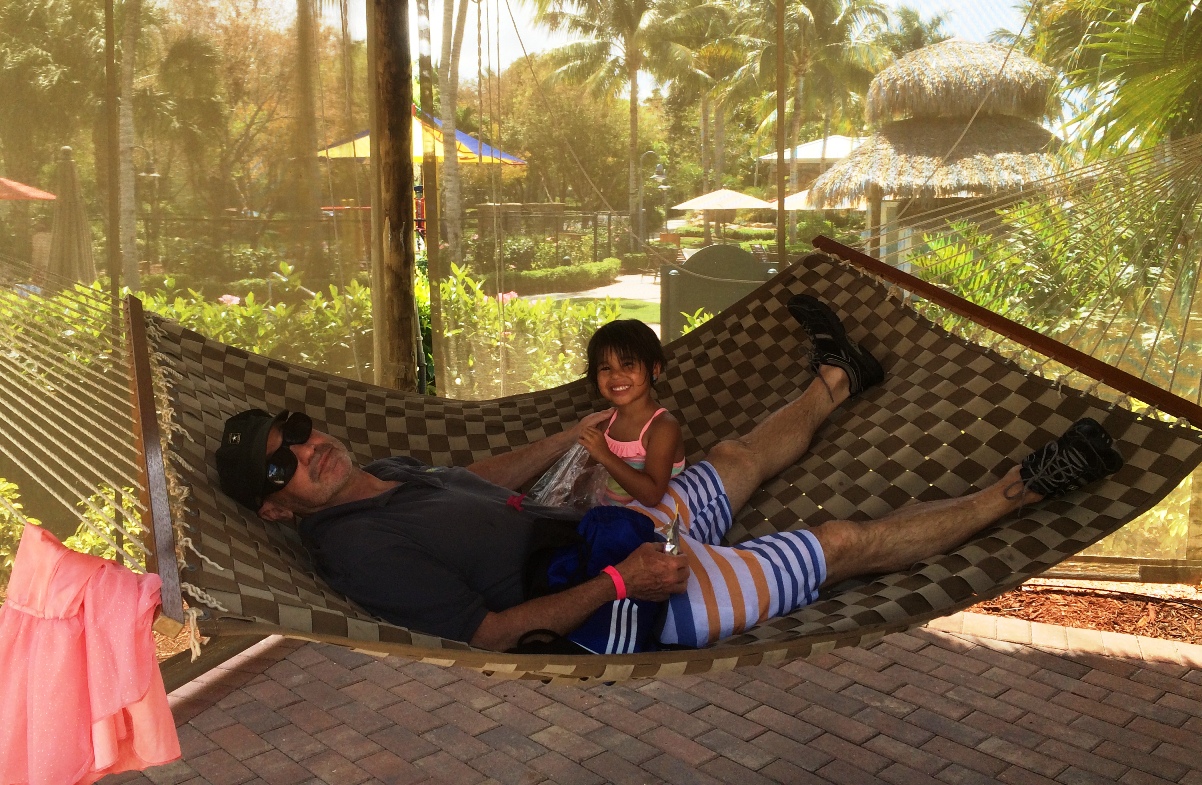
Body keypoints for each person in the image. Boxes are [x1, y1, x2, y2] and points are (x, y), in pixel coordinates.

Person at [215, 294, 1124, 653]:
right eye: (283, 463)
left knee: (732, 458)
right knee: (840, 542)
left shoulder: (379, 471)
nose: (308, 448)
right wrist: (624, 580)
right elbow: (487, 632)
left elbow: (474, 475)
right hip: (624, 593)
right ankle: (1027, 484)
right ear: (276, 507)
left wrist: (569, 435)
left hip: (604, 523)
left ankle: (841, 375)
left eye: (298, 430)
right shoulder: (357, 549)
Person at [578, 319, 686, 507]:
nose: (615, 375)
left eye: (628, 364)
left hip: (654, 520)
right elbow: (584, 478)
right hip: (608, 516)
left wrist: (604, 455)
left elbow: (652, 496)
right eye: (606, 368)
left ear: (654, 370)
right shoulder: (605, 423)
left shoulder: (663, 428)